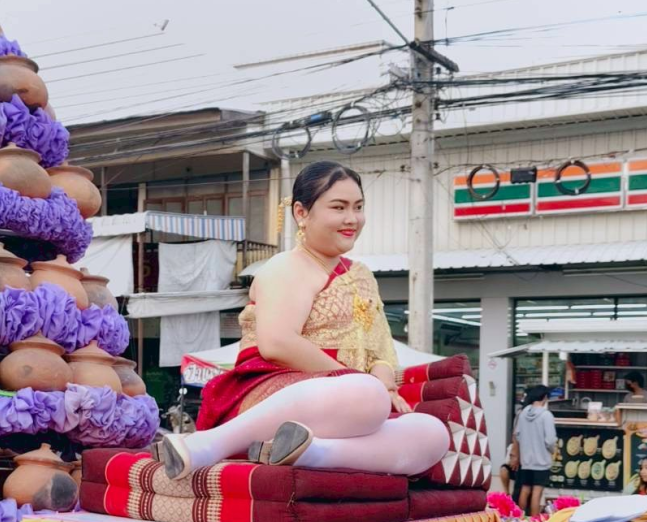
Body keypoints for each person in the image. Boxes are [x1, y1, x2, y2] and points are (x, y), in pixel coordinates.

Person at [154, 162, 449, 480]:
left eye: (358, 207)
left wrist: (382, 377)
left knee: (432, 433)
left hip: (349, 407)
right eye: (339, 207)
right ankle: (205, 445)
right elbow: (277, 342)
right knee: (368, 395)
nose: (352, 219)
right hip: (273, 392)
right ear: (301, 213)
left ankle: (310, 452)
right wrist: (357, 382)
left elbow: (381, 349)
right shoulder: (287, 266)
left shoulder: (361, 274)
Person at [513, 385, 557, 516]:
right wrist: (552, 450)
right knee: (537, 492)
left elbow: (518, 435)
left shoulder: (523, 414)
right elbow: (549, 440)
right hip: (541, 461)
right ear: (544, 397)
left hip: (526, 460)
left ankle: (520, 520)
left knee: (525, 489)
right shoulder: (546, 415)